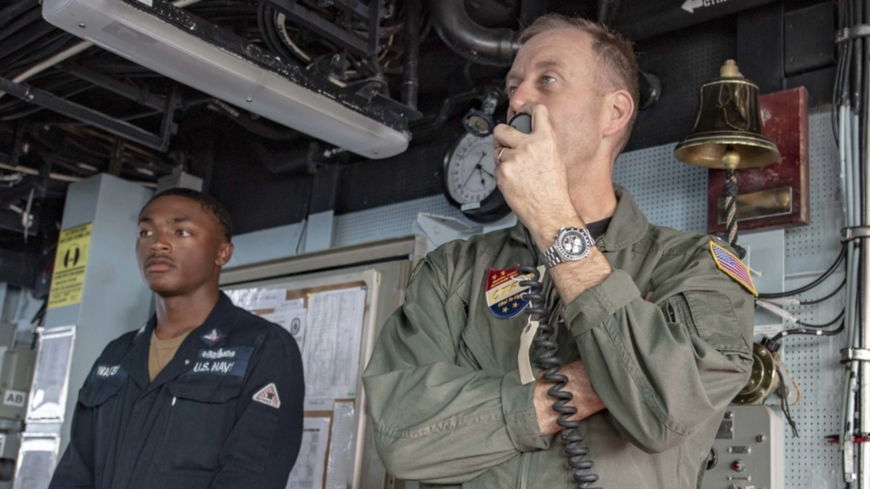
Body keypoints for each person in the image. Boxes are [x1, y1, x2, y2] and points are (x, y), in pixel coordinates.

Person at [362, 14, 755, 489]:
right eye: (515, 85)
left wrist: (551, 219)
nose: (519, 99)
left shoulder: (697, 266)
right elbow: (402, 438)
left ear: (614, 113)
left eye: (547, 79)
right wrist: (588, 384)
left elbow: (664, 410)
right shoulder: (452, 270)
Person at [49, 188, 304, 489]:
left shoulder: (261, 347)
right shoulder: (115, 356)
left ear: (222, 253)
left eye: (180, 231)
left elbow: (250, 476)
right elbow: (74, 473)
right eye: (145, 232)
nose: (157, 244)